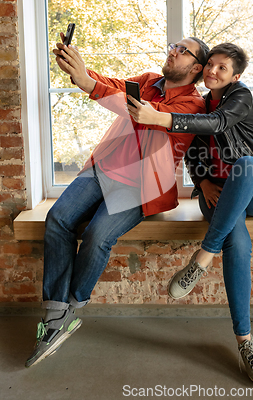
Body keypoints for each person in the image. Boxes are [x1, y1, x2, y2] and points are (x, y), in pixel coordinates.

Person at [25, 37, 209, 368]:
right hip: (102, 169)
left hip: (139, 186)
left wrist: (87, 83)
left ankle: (73, 306)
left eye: (183, 51)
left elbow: (145, 114)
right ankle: (56, 313)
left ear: (196, 68)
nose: (173, 51)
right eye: (173, 46)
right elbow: (112, 86)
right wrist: (78, 68)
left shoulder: (192, 106)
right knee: (58, 219)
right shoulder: (148, 81)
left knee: (97, 236)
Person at [127, 42, 253, 387]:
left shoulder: (239, 97)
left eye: (222, 68)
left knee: (245, 164)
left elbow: (215, 124)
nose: (212, 71)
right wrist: (202, 180)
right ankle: (246, 342)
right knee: (237, 243)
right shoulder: (197, 102)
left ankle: (203, 256)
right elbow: (193, 151)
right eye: (209, 64)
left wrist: (160, 117)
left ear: (236, 76)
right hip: (220, 195)